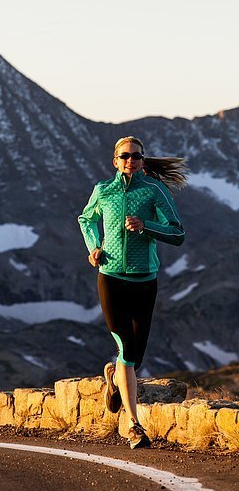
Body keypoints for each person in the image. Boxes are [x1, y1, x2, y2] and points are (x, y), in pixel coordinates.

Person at [78, 135, 187, 449]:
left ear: (143, 160)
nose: (130, 161)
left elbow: (178, 232)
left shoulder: (153, 191)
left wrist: (147, 226)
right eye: (125, 156)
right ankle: (133, 424)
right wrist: (94, 247)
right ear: (115, 160)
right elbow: (87, 218)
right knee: (125, 346)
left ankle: (113, 378)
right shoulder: (103, 191)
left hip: (144, 280)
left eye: (136, 157)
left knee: (134, 356)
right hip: (111, 279)